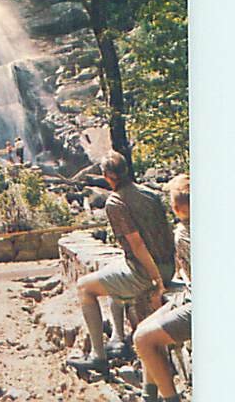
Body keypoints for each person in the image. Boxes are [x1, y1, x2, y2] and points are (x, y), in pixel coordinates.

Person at [67, 150, 175, 374]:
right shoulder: (150, 194)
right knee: (111, 271)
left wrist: (156, 280)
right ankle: (118, 338)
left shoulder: (115, 202)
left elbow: (137, 245)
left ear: (107, 176)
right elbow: (166, 234)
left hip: (147, 273)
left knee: (85, 287)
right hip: (168, 267)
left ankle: (98, 356)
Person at [133, 175, 191, 402]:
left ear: (175, 209)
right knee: (146, 325)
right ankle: (149, 395)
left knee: (143, 339)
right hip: (189, 294)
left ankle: (168, 398)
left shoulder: (182, 236)